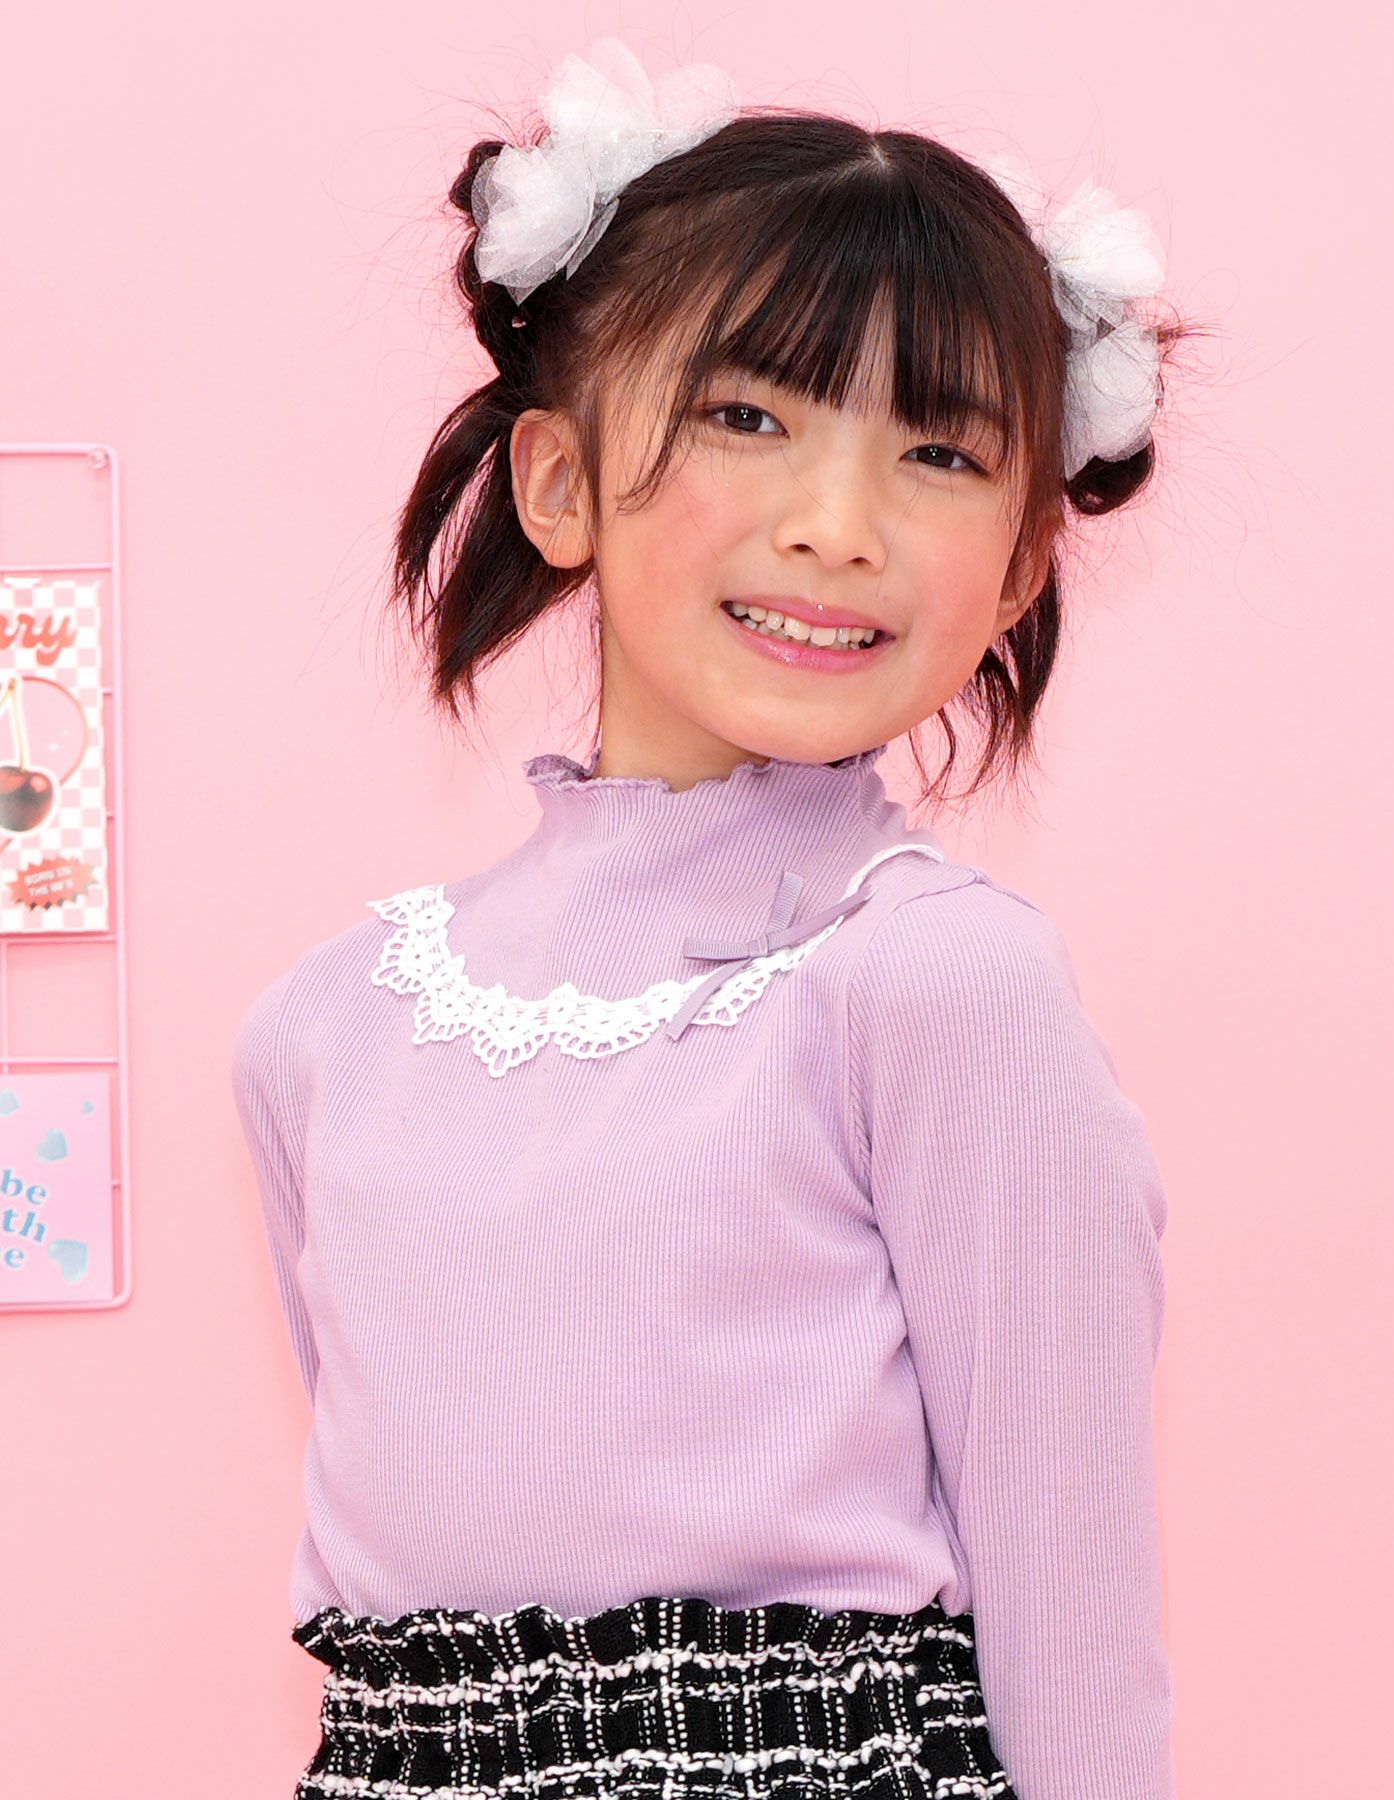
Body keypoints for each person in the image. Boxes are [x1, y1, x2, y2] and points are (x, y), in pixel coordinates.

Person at [231, 35, 1194, 1800]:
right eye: (750, 416)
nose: (838, 527)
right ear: (558, 483)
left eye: (940, 451)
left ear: (1018, 564)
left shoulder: (943, 985)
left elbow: (1075, 1621)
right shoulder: (328, 1028)